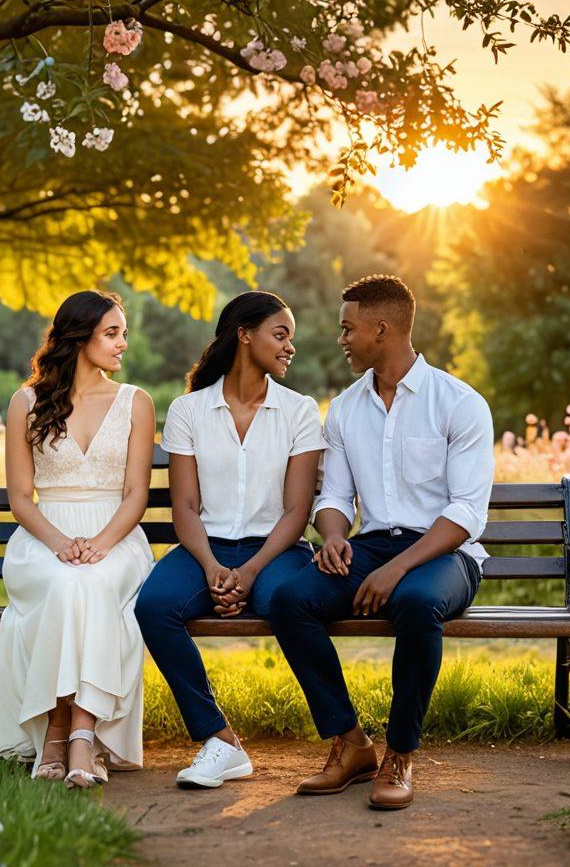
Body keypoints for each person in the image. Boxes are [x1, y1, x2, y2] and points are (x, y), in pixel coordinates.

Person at [268, 275, 494, 810]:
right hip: (370, 548)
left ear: (383, 328)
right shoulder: (346, 409)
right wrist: (332, 537)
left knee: (416, 603)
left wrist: (397, 570)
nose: (341, 339)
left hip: (446, 555)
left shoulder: (459, 403)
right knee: (289, 601)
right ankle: (350, 743)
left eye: (348, 329)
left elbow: (464, 513)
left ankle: (400, 753)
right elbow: (336, 497)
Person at [136, 291, 325, 789]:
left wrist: (250, 571)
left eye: (291, 339)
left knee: (286, 601)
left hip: (277, 551)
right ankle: (220, 740)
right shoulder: (189, 410)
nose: (290, 348)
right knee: (153, 605)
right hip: (206, 547)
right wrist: (211, 566)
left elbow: (296, 511)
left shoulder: (299, 411)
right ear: (245, 334)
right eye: (280, 335)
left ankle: (344, 739)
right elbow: (186, 508)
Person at [0, 290, 156, 788]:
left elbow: (135, 494)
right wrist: (59, 543)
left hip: (117, 534)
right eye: (112, 333)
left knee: (93, 582)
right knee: (64, 584)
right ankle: (59, 730)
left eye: (123, 332)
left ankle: (77, 733)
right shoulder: (27, 402)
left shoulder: (135, 402)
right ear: (80, 338)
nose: (124, 343)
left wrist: (102, 543)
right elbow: (20, 497)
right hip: (43, 536)